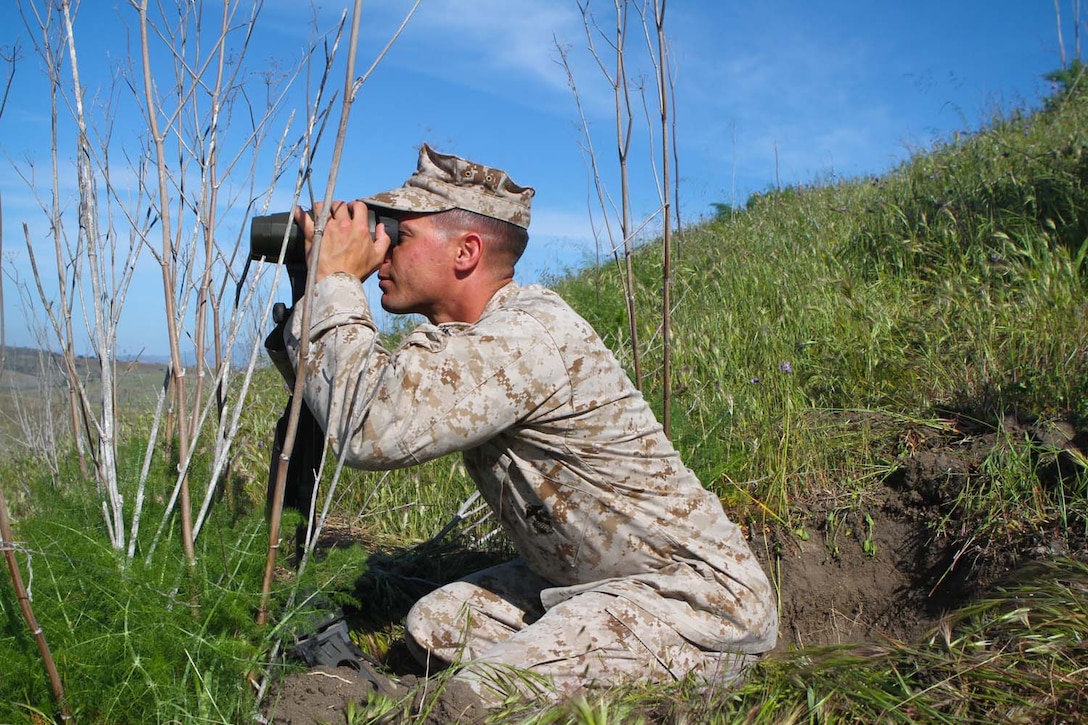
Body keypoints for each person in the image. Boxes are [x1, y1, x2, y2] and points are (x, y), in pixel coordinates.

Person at [285, 143, 778, 717]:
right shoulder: (476, 340)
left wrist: (336, 282)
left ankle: (689, 669)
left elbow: (369, 427)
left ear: (466, 251)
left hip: (695, 600)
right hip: (586, 582)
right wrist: (310, 283)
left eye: (400, 234)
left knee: (473, 699)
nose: (382, 250)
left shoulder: (524, 338)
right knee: (435, 628)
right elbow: (344, 394)